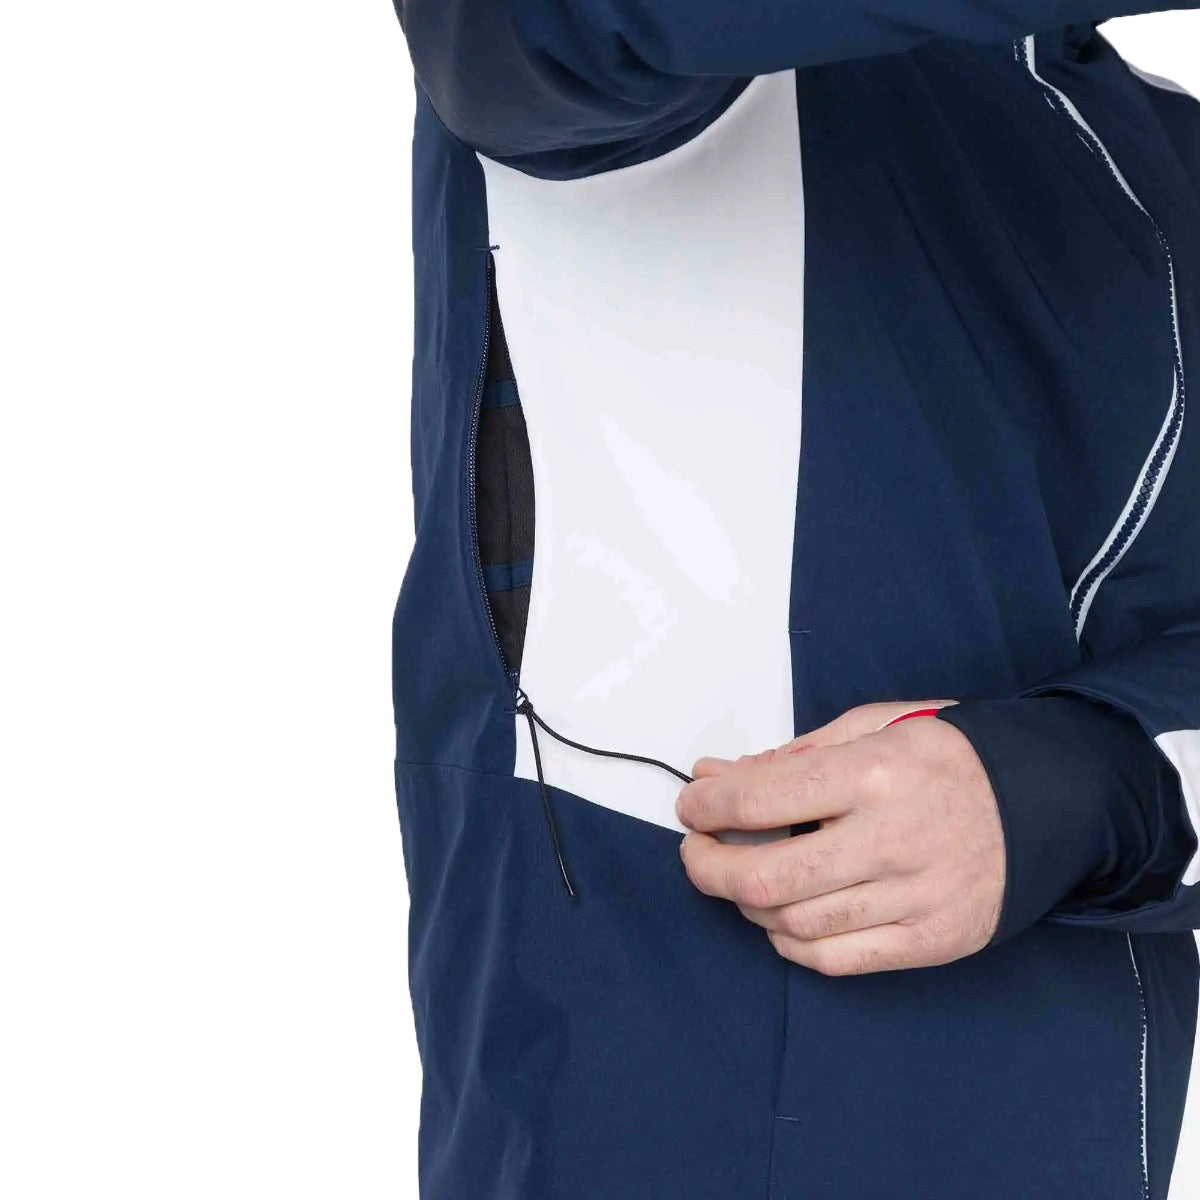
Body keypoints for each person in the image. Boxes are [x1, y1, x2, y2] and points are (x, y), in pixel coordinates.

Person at [388, 3, 1200, 1197]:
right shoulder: (628, 57)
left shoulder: (1154, 155)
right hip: (653, 1079)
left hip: (1073, 1114)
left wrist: (1083, 788)